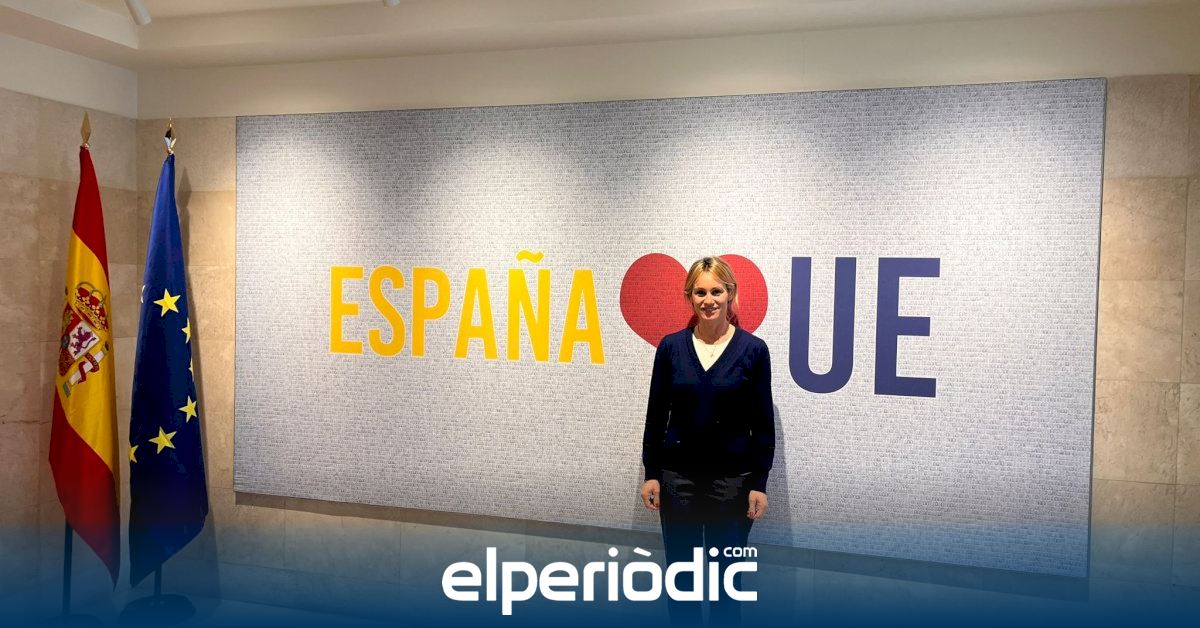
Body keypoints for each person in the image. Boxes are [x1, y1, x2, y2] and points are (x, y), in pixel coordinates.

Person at [639, 256, 776, 626]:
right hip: (678, 481)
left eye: (717, 291)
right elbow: (656, 415)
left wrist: (759, 482)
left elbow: (762, 422)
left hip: (732, 485)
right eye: (700, 292)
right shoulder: (670, 348)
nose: (708, 300)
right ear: (689, 297)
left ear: (730, 294)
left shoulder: (754, 350)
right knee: (681, 580)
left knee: (725, 583)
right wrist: (651, 473)